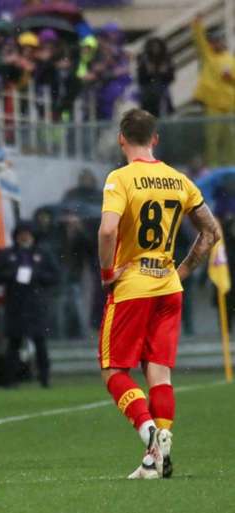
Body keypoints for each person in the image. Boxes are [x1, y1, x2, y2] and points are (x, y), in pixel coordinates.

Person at [98, 108, 220, 479]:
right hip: (168, 288)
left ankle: (149, 431)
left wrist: (107, 273)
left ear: (122, 138)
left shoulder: (120, 179)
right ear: (155, 139)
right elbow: (210, 232)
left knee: (114, 369)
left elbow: (106, 232)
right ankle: (156, 458)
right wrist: (181, 271)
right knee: (160, 373)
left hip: (133, 287)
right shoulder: (179, 180)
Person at [0, 221, 57, 387]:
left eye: (27, 234)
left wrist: (37, 276)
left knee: (40, 343)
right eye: (21, 234)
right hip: (15, 305)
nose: (24, 237)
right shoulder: (8, 254)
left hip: (36, 305)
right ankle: (10, 380)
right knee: (13, 344)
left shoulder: (43, 253)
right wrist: (12, 275)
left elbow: (55, 276)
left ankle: (44, 379)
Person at [191, 15, 235, 167]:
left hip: (229, 105)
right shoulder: (208, 56)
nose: (216, 44)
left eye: (219, 41)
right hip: (213, 105)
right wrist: (197, 26)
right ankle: (213, 167)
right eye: (214, 41)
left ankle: (230, 166)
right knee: (213, 139)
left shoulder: (230, 58)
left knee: (230, 139)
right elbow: (200, 42)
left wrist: (230, 77)